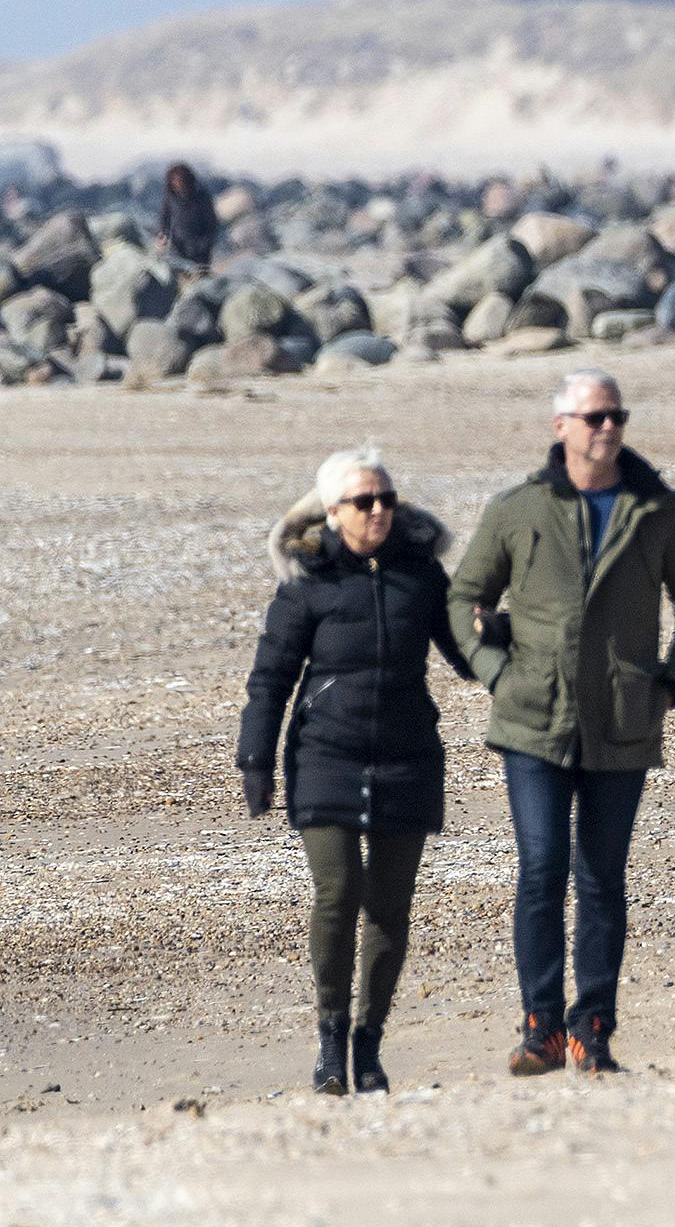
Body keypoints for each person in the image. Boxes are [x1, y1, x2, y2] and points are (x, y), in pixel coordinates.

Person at [449, 369, 675, 1077]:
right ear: (561, 426)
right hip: (531, 721)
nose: (607, 429)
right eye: (593, 417)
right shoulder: (519, 509)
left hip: (623, 722)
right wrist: (495, 671)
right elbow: (464, 597)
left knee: (601, 878)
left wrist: (670, 682)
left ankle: (591, 1030)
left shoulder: (658, 511)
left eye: (616, 417)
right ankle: (539, 1027)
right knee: (541, 869)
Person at [237, 446, 468, 1095]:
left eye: (387, 499)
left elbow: (468, 653)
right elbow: (271, 677)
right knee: (339, 893)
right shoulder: (308, 582)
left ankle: (369, 1042)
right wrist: (255, 758)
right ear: (333, 512)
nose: (378, 511)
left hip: (406, 758)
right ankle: (331, 1033)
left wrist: (515, 636)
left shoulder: (421, 577)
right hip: (326, 758)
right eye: (364, 502)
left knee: (391, 907)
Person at [158, 161, 219, 271]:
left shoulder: (202, 196)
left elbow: (212, 222)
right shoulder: (170, 197)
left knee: (200, 279)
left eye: (180, 181)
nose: (178, 184)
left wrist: (205, 244)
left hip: (200, 249)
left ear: (188, 180)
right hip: (178, 246)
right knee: (179, 277)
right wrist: (164, 234)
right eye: (174, 181)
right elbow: (164, 217)